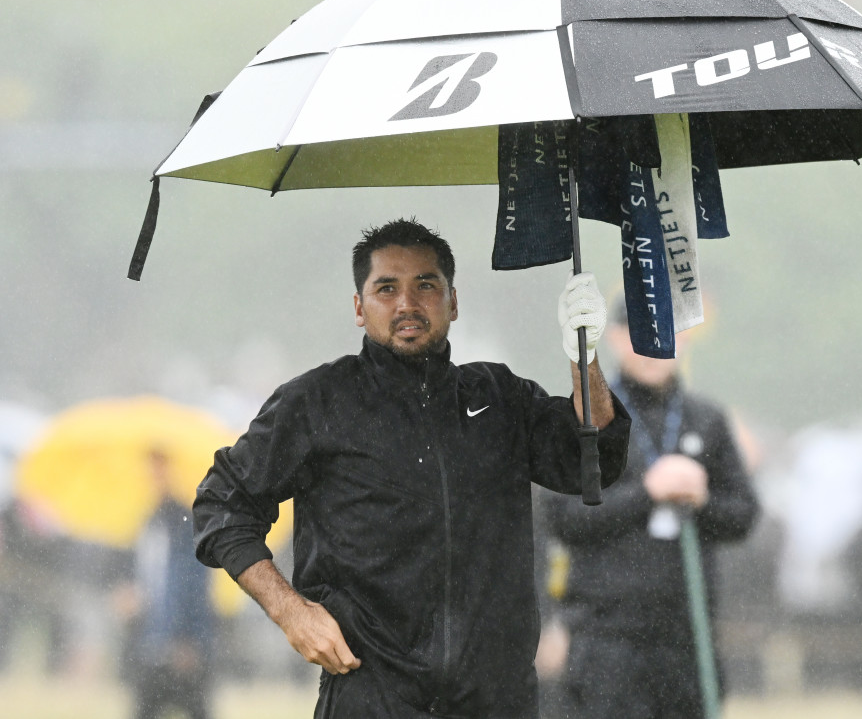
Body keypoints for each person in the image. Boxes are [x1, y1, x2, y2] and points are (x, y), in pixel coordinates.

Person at [192, 218, 630, 719]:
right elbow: (221, 504)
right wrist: (291, 612)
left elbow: (594, 459)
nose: (407, 303)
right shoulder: (317, 401)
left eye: (426, 285)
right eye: (386, 288)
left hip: (496, 700)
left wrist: (584, 355)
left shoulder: (499, 397)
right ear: (359, 308)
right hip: (369, 694)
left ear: (453, 301)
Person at [545, 301, 759, 719]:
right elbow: (566, 519)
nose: (654, 348)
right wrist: (647, 492)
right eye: (641, 335)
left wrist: (701, 500)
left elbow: (743, 516)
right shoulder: (583, 418)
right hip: (606, 636)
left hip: (686, 634)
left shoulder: (706, 419)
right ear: (615, 338)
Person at [121, 449, 215, 719]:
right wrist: (130, 598)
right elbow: (147, 578)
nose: (153, 476)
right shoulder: (148, 522)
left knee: (197, 709)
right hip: (150, 646)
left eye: (159, 468)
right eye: (150, 468)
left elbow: (196, 583)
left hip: (182, 648)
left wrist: (191, 639)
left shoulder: (187, 521)